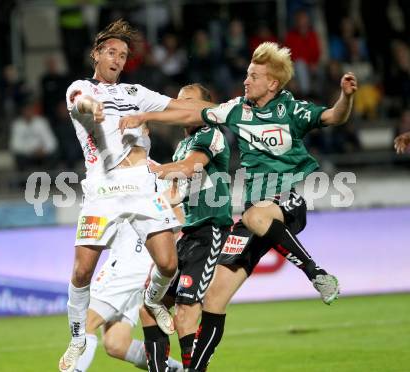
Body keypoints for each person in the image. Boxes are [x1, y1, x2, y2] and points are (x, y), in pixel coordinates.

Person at [120, 41, 358, 371]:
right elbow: (192, 112)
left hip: (286, 199)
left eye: (254, 76)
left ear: (272, 83)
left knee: (254, 213)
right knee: (214, 297)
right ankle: (194, 369)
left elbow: (333, 116)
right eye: (247, 74)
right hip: (252, 215)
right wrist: (146, 115)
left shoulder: (292, 110)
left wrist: (345, 97)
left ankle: (316, 273)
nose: (246, 81)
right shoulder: (236, 110)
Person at [59, 19, 211, 372]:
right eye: (111, 52)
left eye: (123, 55)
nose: (117, 59)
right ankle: (78, 337)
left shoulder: (135, 93)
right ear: (96, 54)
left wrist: (226, 111)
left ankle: (154, 301)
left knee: (168, 264)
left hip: (141, 185)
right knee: (82, 271)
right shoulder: (82, 88)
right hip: (103, 188)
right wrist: (92, 108)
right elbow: (80, 102)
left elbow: (180, 109)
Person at [137, 83, 233, 372]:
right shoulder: (181, 146)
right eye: (179, 103)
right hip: (188, 234)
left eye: (189, 102)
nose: (182, 108)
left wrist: (156, 169)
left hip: (210, 231)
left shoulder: (211, 134)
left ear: (206, 107)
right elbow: (176, 194)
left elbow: (193, 167)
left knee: (185, 311)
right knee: (149, 308)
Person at [74, 219, 183, 372]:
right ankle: (178, 369)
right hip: (140, 267)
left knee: (83, 324)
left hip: (125, 266)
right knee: (116, 343)